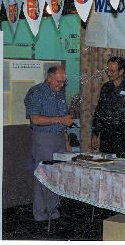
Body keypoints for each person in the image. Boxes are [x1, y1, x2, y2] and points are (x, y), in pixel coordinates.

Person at [24, 65, 76, 227]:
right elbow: (35, 119)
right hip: (43, 139)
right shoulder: (36, 92)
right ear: (49, 78)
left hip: (59, 138)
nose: (61, 85)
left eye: (63, 82)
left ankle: (53, 213)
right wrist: (60, 120)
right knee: (43, 177)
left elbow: (64, 119)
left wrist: (66, 141)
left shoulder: (60, 93)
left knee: (57, 177)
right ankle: (40, 216)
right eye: (59, 82)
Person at [91, 56, 125, 160]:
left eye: (112, 71)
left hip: (124, 138)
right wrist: (95, 134)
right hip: (106, 137)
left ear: (121, 71)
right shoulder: (106, 88)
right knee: (106, 169)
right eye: (108, 70)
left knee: (124, 169)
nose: (109, 73)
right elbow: (99, 113)